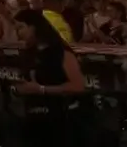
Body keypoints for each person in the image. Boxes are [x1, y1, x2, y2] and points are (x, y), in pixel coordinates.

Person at [13, 8, 88, 147]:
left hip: (59, 120)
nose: (19, 33)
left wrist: (41, 89)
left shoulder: (61, 52)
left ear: (34, 27)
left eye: (21, 28)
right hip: (34, 119)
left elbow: (78, 86)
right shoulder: (28, 53)